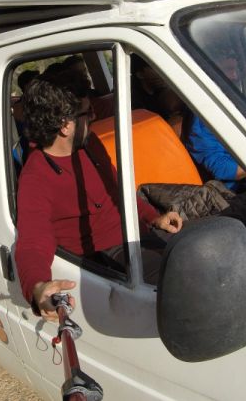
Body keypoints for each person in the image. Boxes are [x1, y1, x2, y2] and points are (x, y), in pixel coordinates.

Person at [14, 76, 183, 322]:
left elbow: (117, 190)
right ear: (65, 125)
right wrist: (37, 287)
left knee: (204, 247)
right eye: (87, 112)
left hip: (137, 234)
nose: (93, 117)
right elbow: (32, 242)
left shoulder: (89, 144)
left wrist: (153, 217)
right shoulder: (36, 176)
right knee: (185, 279)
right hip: (108, 256)